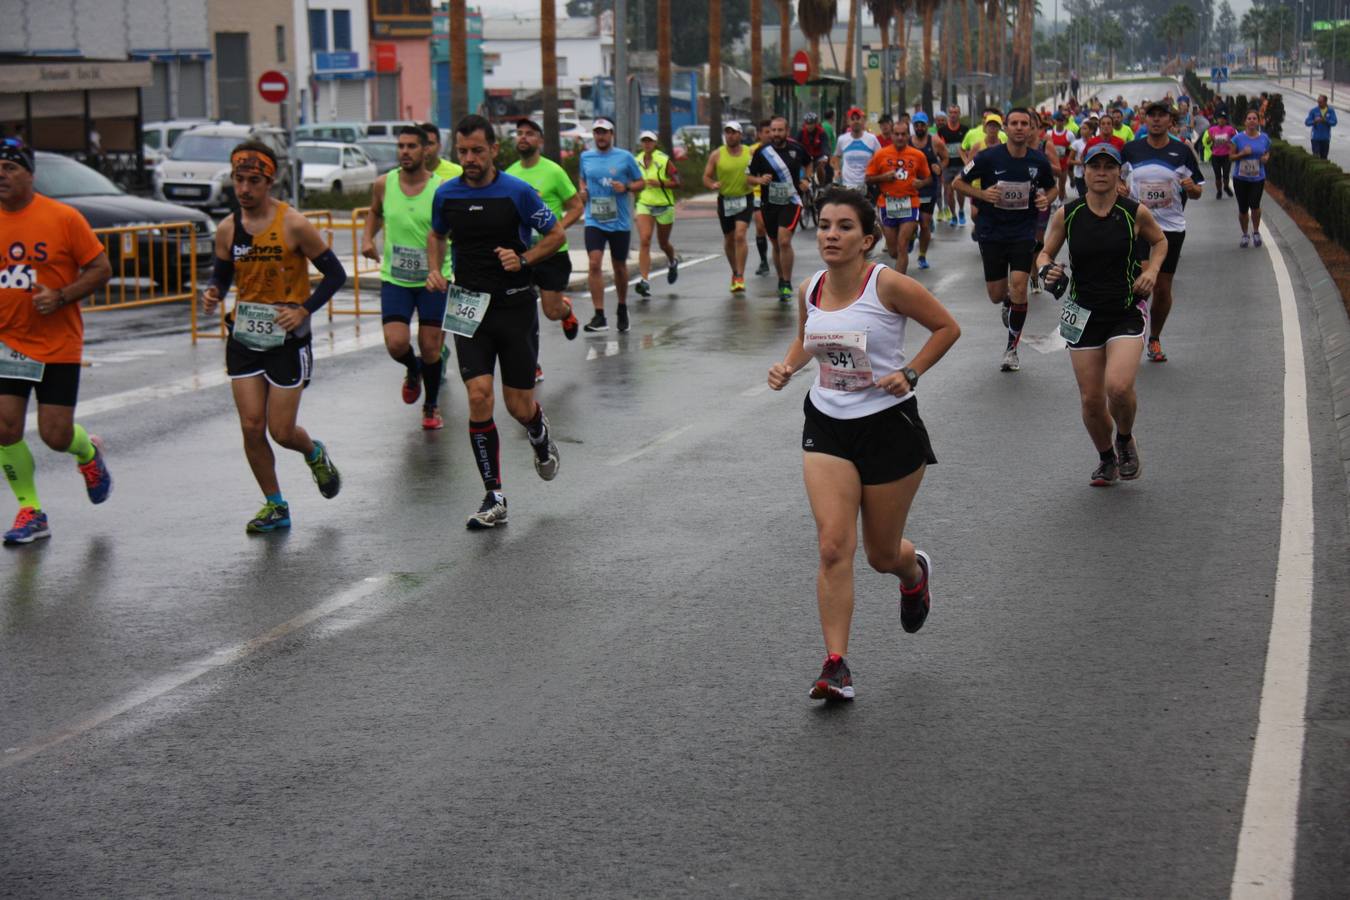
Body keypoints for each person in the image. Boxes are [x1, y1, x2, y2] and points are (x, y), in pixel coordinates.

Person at [766, 186, 960, 702]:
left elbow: (947, 328)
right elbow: (808, 339)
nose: (831, 235)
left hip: (888, 426)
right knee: (833, 546)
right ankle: (836, 665)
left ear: (867, 239)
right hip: (827, 424)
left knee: (880, 554)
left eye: (844, 227)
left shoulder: (887, 284)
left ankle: (913, 573)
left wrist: (910, 372)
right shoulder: (810, 287)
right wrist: (788, 366)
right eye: (825, 225)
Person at [427, 115, 567, 530]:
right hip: (467, 305)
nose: (469, 159)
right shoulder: (446, 194)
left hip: (514, 306)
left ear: (493, 150)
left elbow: (556, 235)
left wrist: (523, 258)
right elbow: (436, 234)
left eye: (477, 151)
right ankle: (494, 496)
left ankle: (537, 430)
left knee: (518, 405)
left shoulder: (517, 192)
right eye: (462, 152)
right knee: (478, 396)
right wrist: (435, 269)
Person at [201, 141, 345, 533]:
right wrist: (213, 291)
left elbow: (335, 275)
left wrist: (303, 310)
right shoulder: (228, 228)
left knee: (281, 431)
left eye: (253, 181)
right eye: (239, 180)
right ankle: (275, 505)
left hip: (287, 340)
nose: (244, 189)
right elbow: (222, 274)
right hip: (244, 336)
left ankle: (313, 452)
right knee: (251, 426)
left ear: (270, 182)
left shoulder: (293, 224)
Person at [0, 139, 113, 545]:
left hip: (57, 343)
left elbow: (101, 268)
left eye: (10, 167)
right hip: (7, 342)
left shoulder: (63, 218)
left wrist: (62, 295)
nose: (1, 175)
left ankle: (87, 453)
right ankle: (31, 510)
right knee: (4, 427)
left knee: (55, 435)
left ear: (30, 174)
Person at [1037, 142, 1167, 487]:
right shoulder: (1068, 214)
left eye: (1109, 167)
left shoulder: (1133, 212)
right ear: (1085, 171)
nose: (1101, 173)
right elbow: (1044, 254)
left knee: (1118, 387)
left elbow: (1160, 242)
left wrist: (1152, 272)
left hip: (1125, 309)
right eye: (1095, 166)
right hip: (1081, 313)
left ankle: (1124, 439)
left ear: (1118, 173)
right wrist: (1047, 270)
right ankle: (1107, 458)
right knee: (1092, 401)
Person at [360, 126, 453, 430]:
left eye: (412, 146)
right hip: (396, 278)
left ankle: (431, 405)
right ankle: (413, 369)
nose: (405, 152)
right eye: (401, 146)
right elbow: (375, 212)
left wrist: (444, 270)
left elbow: (449, 231)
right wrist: (367, 239)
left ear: (426, 150)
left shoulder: (441, 188)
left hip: (433, 279)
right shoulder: (384, 184)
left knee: (431, 347)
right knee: (396, 344)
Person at [954, 108, 1057, 372]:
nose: (1019, 127)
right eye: (1014, 123)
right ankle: (1008, 302)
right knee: (996, 294)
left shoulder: (1038, 160)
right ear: (1006, 128)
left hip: (1023, 231)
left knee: (1020, 286)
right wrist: (982, 194)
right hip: (992, 232)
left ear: (1031, 128)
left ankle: (1011, 349)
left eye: (1024, 123)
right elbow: (957, 183)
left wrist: (1046, 199)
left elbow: (1052, 188)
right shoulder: (987, 157)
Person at [1120, 101, 1205, 363]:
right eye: (1152, 116)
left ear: (1170, 121)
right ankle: (1133, 334)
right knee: (1144, 281)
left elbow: (1198, 191)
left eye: (1161, 116)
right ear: (1145, 120)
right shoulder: (1131, 150)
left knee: (1163, 288)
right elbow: (1118, 180)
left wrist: (1191, 188)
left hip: (1171, 228)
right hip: (1138, 226)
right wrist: (1120, 189)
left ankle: (1154, 338)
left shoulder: (1182, 151)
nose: (1156, 120)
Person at [505, 118, 585, 371]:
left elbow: (576, 206)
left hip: (552, 253)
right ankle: (532, 363)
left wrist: (557, 230)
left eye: (529, 133)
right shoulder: (509, 174)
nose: (523, 137)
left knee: (551, 311)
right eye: (519, 133)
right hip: (523, 254)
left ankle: (566, 311)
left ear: (540, 140)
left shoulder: (553, 171)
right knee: (522, 311)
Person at [577, 118, 643, 333]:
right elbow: (582, 179)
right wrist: (583, 191)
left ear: (611, 134)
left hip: (619, 222)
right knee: (594, 263)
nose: (600, 136)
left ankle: (622, 307)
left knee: (619, 267)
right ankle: (599, 315)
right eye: (597, 132)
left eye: (604, 132)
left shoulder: (625, 157)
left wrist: (626, 187)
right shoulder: (586, 157)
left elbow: (641, 182)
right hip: (594, 219)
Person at [749, 115, 813, 302]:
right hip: (769, 204)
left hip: (791, 201)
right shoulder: (762, 152)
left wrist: (806, 179)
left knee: (784, 241)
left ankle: (787, 282)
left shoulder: (797, 148)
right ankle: (780, 280)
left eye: (780, 130)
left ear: (787, 131)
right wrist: (759, 180)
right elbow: (749, 177)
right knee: (776, 244)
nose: (776, 134)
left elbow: (809, 163)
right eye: (773, 130)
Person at [866, 115, 931, 273]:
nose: (900, 137)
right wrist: (883, 177)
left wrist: (921, 183)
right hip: (887, 204)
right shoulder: (881, 154)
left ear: (908, 135)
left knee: (902, 246)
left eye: (903, 134)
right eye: (897, 134)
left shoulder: (918, 155)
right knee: (893, 251)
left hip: (910, 203)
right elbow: (868, 178)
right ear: (892, 135)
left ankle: (898, 282)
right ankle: (909, 239)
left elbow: (928, 178)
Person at [703, 121, 756, 292]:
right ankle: (734, 270)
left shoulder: (750, 152)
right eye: (727, 132)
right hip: (725, 200)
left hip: (745, 198)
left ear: (740, 135)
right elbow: (706, 176)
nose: (730, 136)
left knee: (740, 235)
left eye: (733, 132)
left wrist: (757, 179)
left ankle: (740, 275)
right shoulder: (717, 154)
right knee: (729, 238)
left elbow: (759, 169)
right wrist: (712, 184)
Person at [633, 130, 680, 298]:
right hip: (644, 204)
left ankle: (672, 261)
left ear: (655, 143)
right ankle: (644, 280)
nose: (647, 144)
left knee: (663, 243)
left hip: (664, 205)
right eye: (644, 141)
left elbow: (677, 182)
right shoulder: (636, 160)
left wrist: (660, 183)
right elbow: (632, 181)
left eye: (650, 141)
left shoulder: (663, 160)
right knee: (645, 240)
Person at [909, 112, 945, 270]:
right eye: (916, 125)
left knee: (924, 224)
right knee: (911, 222)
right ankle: (911, 235)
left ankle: (922, 255)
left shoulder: (934, 141)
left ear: (927, 125)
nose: (919, 127)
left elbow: (946, 157)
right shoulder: (908, 141)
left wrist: (940, 168)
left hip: (929, 187)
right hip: (910, 188)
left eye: (922, 125)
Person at [1231, 110, 1272, 248]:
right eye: (1249, 118)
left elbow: (1267, 152)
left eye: (1255, 118)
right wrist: (1242, 153)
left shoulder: (1264, 138)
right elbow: (1231, 157)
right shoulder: (1237, 139)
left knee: (1255, 205)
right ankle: (1245, 234)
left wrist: (1266, 158)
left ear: (1258, 121)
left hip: (1257, 178)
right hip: (1240, 178)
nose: (1252, 121)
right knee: (1243, 209)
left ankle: (1255, 231)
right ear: (1245, 122)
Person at [830, 105, 881, 193]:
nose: (855, 121)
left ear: (863, 120)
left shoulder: (872, 139)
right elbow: (836, 157)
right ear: (848, 122)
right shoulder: (842, 139)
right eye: (852, 119)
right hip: (847, 186)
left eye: (858, 118)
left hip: (866, 186)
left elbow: (880, 157)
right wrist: (837, 170)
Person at [936, 105, 967, 227]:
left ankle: (961, 210)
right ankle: (953, 215)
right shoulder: (942, 131)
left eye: (956, 112)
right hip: (947, 166)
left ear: (959, 114)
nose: (953, 115)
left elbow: (968, 146)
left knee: (960, 191)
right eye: (951, 113)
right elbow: (937, 147)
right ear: (948, 114)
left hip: (961, 165)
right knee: (948, 193)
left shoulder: (965, 129)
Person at [751, 119, 773, 276]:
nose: (770, 135)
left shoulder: (780, 148)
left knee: (776, 229)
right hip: (758, 193)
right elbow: (748, 173)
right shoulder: (753, 151)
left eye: (771, 131)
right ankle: (764, 260)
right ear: (759, 134)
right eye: (766, 132)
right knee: (760, 226)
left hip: (777, 194)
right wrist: (758, 180)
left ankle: (779, 251)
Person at [798, 112, 831, 185]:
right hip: (806, 157)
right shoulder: (801, 132)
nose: (809, 126)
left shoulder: (822, 132)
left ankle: (824, 184)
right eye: (807, 123)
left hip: (818, 157)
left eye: (811, 123)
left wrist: (825, 156)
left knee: (826, 167)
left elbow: (825, 145)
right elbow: (796, 145)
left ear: (815, 123)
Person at [1068, 117, 1097, 197]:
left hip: (1093, 174)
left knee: (1093, 195)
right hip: (1079, 174)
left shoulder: (1096, 141)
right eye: (1081, 129)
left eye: (1085, 128)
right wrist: (1081, 162)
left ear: (1091, 131)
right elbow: (1069, 161)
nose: (1082, 131)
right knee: (1082, 196)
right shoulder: (1076, 143)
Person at [1306, 95, 1337, 160]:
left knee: (1324, 157)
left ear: (1325, 102)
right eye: (1318, 102)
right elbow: (1307, 122)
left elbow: (1334, 122)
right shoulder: (1314, 110)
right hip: (1315, 138)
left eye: (1320, 102)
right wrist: (1314, 121)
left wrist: (1326, 121)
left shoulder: (1330, 111)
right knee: (1316, 156)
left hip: (1325, 138)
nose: (1319, 103)